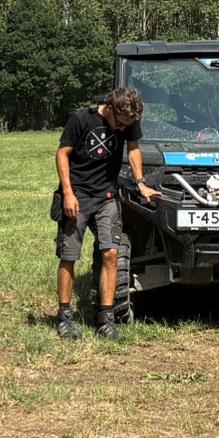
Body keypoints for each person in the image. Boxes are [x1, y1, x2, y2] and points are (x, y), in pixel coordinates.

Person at [54, 88, 154, 341]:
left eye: (127, 124)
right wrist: (68, 193)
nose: (122, 129)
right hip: (78, 194)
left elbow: (133, 149)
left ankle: (106, 318)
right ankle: (65, 317)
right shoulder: (81, 119)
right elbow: (62, 154)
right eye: (119, 123)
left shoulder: (129, 119)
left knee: (111, 252)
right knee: (69, 255)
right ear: (109, 108)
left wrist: (140, 182)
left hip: (107, 196)